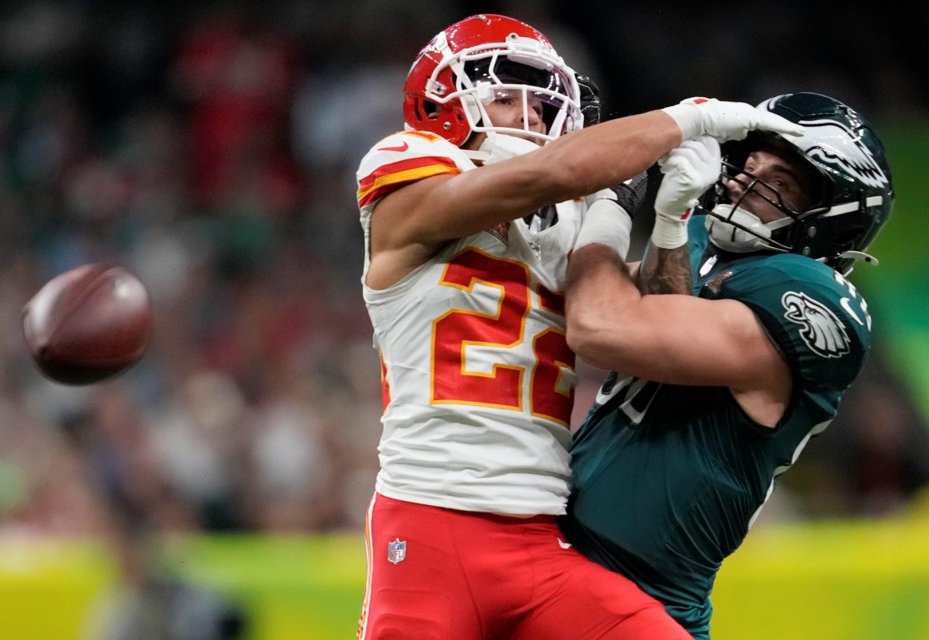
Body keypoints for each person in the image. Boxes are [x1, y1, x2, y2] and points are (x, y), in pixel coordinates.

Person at [353, 12, 802, 640]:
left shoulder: (567, 219)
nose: (529, 117)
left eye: (541, 106)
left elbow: (654, 323)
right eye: (505, 97)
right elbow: (552, 172)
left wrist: (663, 217)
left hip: (542, 538)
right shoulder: (408, 171)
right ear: (441, 107)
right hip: (431, 521)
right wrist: (687, 118)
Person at [561, 92, 894, 639]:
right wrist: (670, 225)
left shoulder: (809, 297)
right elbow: (630, 301)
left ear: (833, 219)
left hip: (646, 600)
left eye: (779, 183)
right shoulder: (702, 243)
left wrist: (612, 205)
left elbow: (603, 327)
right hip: (563, 563)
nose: (743, 180)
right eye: (750, 165)